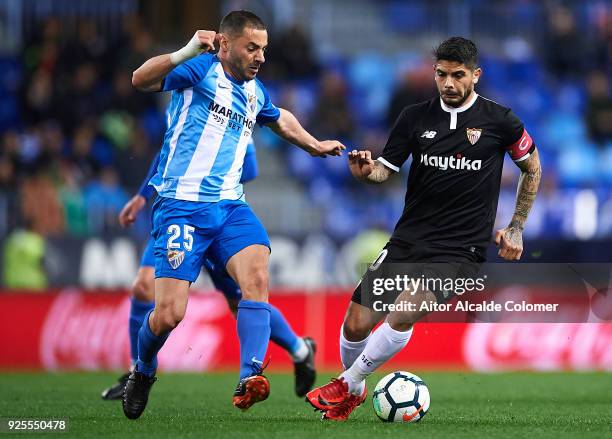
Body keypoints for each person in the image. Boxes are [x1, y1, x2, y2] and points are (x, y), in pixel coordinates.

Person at [306, 37, 542, 421]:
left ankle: (345, 383)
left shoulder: (500, 121)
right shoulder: (414, 117)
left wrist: (516, 226)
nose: (448, 83)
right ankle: (356, 389)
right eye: (441, 74)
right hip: (408, 240)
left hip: (460, 250)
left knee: (403, 312)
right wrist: (367, 172)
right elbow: (386, 169)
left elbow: (532, 167)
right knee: (355, 324)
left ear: (475, 76)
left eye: (458, 75)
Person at [123, 10, 344, 420]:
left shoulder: (254, 92)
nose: (260, 56)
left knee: (256, 277)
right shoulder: (200, 69)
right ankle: (144, 370)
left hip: (229, 207)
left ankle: (250, 376)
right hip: (181, 208)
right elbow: (141, 79)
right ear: (225, 45)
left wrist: (314, 145)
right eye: (252, 47)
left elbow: (280, 120)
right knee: (169, 314)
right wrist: (187, 49)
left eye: (263, 49)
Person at [101, 142, 316, 402]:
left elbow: (250, 168)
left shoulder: (234, 108)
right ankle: (137, 371)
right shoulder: (185, 105)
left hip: (217, 215)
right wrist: (142, 196)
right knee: (144, 287)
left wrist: (212, 177)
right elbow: (167, 154)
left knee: (242, 300)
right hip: (177, 212)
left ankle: (299, 350)